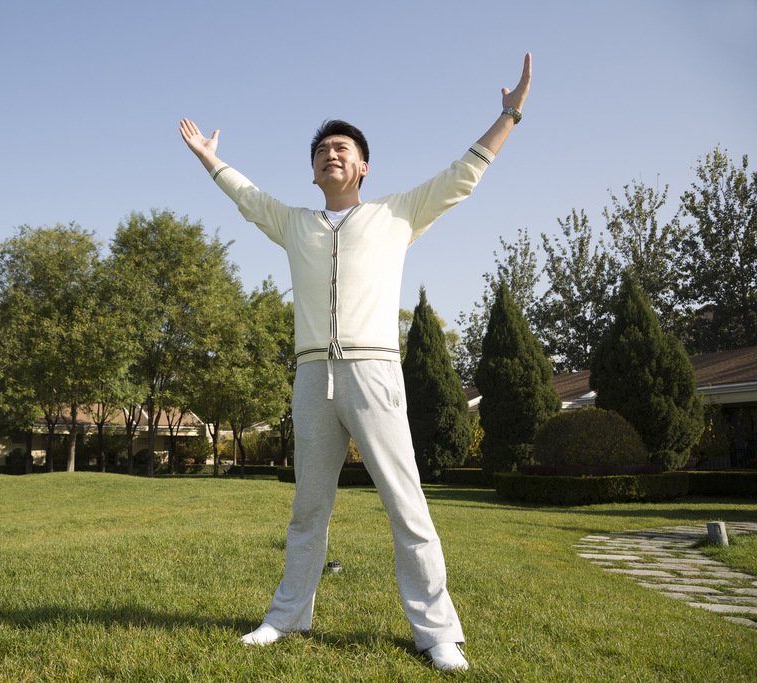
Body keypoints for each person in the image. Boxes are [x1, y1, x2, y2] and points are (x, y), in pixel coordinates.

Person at [179, 53, 531, 673]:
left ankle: (437, 632)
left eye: (342, 149)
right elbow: (249, 198)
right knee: (308, 507)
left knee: (406, 502)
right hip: (313, 374)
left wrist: (509, 114)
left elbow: (462, 176)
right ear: (313, 172)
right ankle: (288, 615)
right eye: (321, 152)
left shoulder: (397, 212)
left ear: (362, 166)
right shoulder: (295, 223)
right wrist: (211, 158)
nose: (331, 155)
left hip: (374, 371)